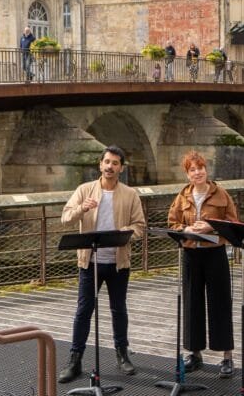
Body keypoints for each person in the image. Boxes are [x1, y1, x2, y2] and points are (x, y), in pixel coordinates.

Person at [58, 145, 147, 383]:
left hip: (118, 262)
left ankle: (122, 355)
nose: (110, 166)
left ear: (121, 168)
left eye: (115, 163)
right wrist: (81, 208)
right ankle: (75, 360)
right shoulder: (84, 190)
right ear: (100, 164)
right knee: (83, 311)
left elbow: (140, 226)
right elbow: (65, 218)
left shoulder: (130, 194)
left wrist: (124, 232)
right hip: (90, 262)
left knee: (119, 309)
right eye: (106, 162)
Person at [168, 151, 237, 379]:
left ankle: (227, 356)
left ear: (206, 170)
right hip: (191, 254)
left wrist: (211, 226)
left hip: (215, 253)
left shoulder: (221, 194)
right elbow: (173, 223)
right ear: (187, 174)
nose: (197, 173)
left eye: (200, 168)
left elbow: (233, 223)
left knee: (220, 303)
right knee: (191, 303)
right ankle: (194, 353)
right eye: (192, 169)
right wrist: (185, 229)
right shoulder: (182, 196)